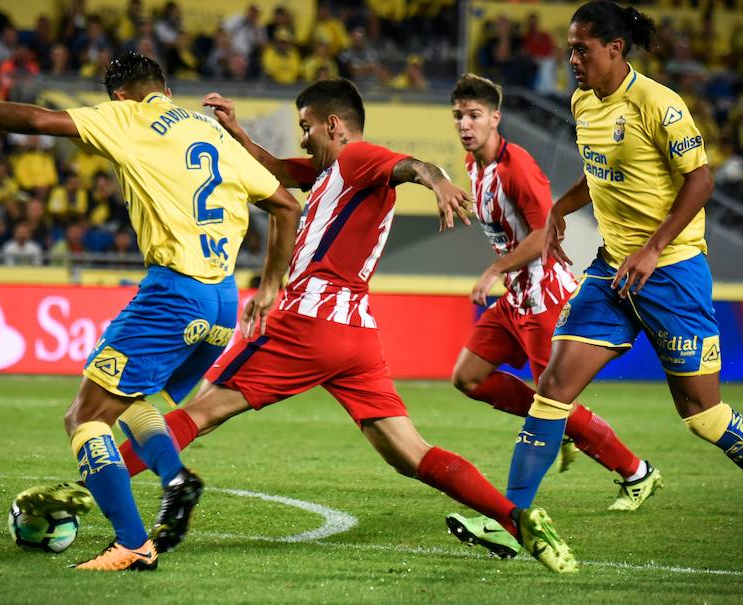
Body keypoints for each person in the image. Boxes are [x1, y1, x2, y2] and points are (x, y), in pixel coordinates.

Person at [115, 78, 578, 573]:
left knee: (201, 410)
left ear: (333, 125)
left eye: (306, 127)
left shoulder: (357, 159)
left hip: (309, 321)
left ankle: (85, 488)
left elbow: (412, 166)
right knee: (410, 453)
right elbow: (270, 168)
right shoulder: (329, 174)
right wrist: (235, 131)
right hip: (355, 334)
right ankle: (519, 521)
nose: (302, 138)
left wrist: (439, 181)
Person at [0, 51, 302, 571]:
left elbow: (41, 120)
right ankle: (174, 478)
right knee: (128, 401)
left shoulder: (126, 116)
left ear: (118, 95)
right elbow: (287, 204)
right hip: (222, 302)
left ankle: (133, 543)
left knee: (84, 417)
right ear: (166, 89)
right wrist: (270, 286)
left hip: (175, 292)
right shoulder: (209, 130)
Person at [502, 0, 743, 531]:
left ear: (615, 49)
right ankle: (511, 517)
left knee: (705, 418)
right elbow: (598, 170)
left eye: (582, 49)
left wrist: (652, 248)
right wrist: (558, 208)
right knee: (553, 389)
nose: (572, 58)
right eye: (570, 48)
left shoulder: (658, 102)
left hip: (671, 272)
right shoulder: (583, 102)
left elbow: (701, 180)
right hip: (611, 272)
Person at [444, 72, 663, 558]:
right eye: (459, 115)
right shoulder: (473, 165)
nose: (465, 124)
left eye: (475, 115)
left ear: (496, 118)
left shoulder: (515, 166)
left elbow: (544, 231)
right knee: (469, 377)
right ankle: (558, 425)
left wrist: (495, 269)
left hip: (544, 302)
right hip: (514, 301)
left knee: (554, 402)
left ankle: (636, 472)